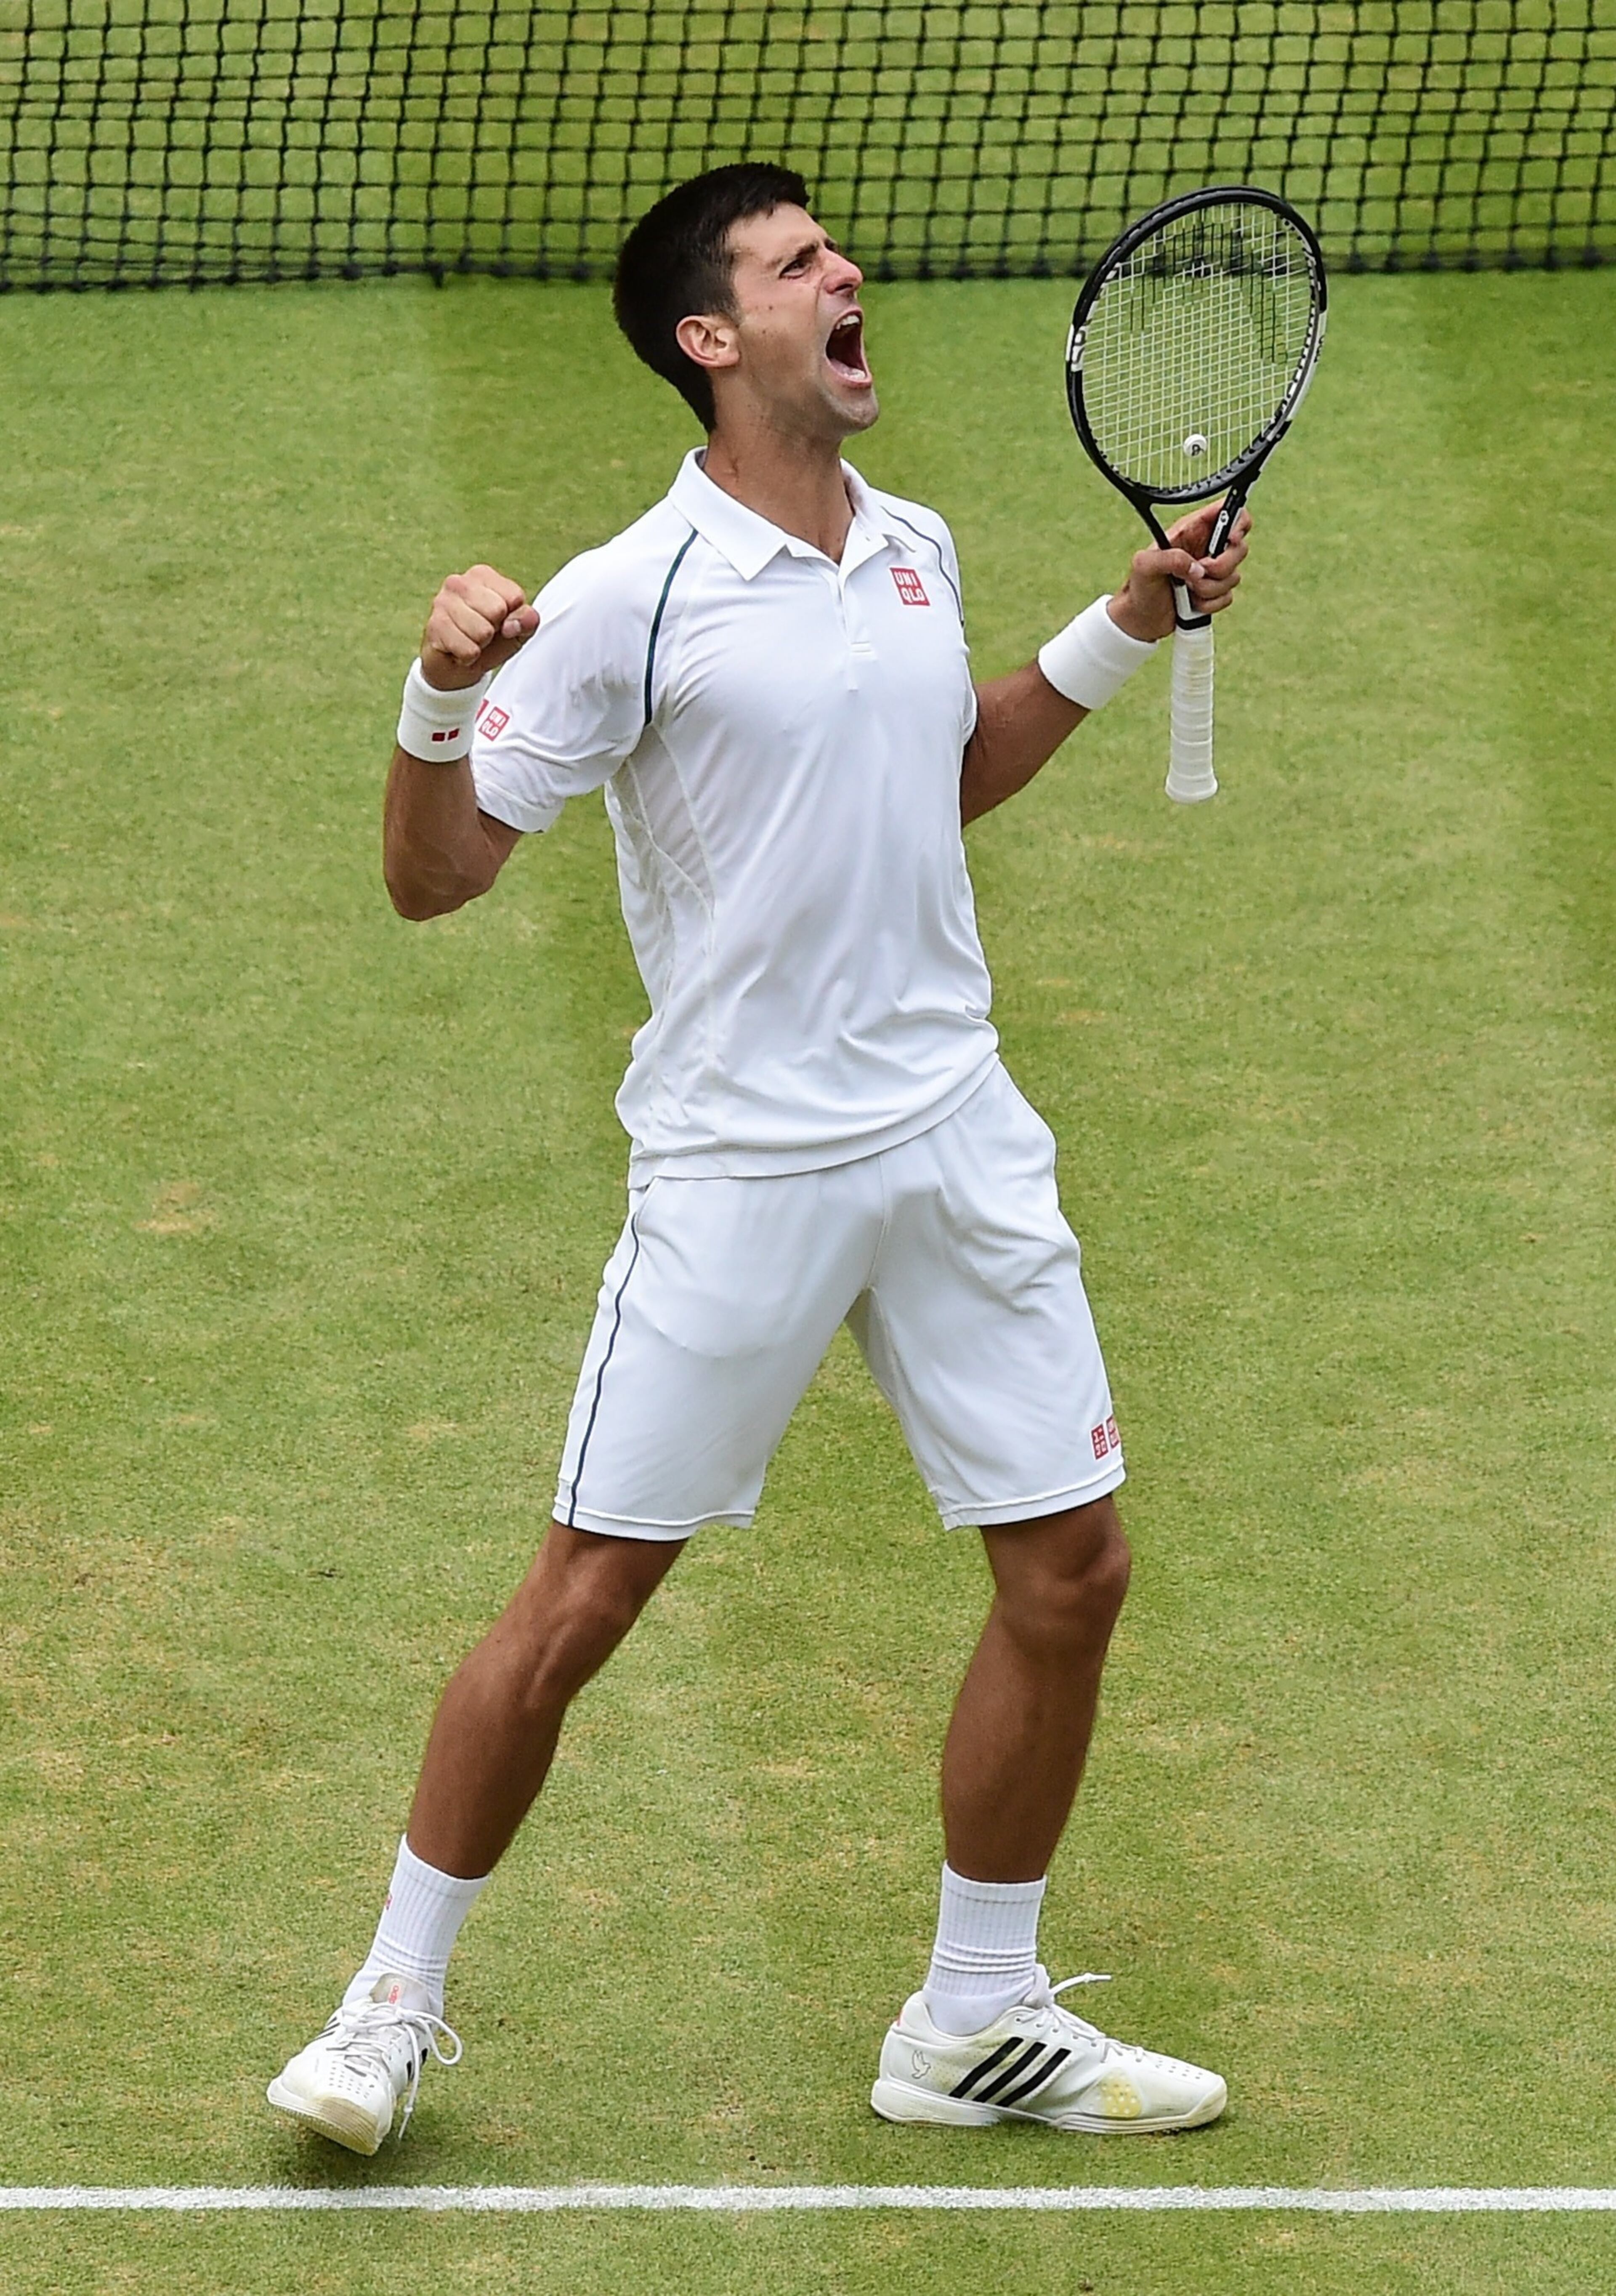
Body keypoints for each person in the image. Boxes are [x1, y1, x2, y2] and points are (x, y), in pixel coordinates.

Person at [267, 162, 1249, 2156]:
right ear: (713, 342)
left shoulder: (914, 542)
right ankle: (386, 2001)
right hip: (742, 1169)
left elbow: (937, 770)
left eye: (834, 251)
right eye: (800, 264)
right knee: (580, 1600)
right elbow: (432, 877)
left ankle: (975, 2016)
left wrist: (1123, 622)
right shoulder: (632, 591)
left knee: (1072, 1570)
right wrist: (438, 698)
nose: (847, 272)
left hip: (958, 1134)